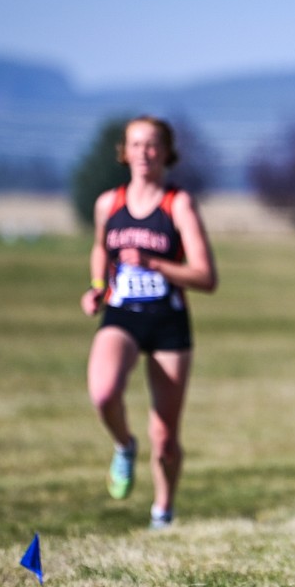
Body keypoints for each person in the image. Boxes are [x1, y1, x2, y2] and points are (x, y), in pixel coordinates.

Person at [80, 115, 217, 529]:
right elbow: (100, 251)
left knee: (165, 438)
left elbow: (205, 277)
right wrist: (98, 286)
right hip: (121, 316)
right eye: (136, 144)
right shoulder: (109, 203)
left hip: (168, 322)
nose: (144, 152)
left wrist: (155, 263)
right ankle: (124, 445)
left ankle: (163, 510)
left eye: (152, 144)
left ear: (166, 152)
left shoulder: (178, 204)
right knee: (103, 393)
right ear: (124, 152)